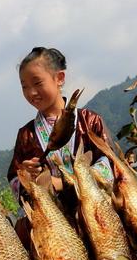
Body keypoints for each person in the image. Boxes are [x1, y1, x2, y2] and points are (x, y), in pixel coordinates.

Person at [7, 47, 115, 242]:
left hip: (98, 220)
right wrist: (26, 175)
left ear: (59, 78)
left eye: (37, 83)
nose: (31, 93)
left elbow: (110, 167)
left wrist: (63, 182)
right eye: (24, 87)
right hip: (54, 229)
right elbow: (15, 179)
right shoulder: (26, 134)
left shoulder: (89, 122)